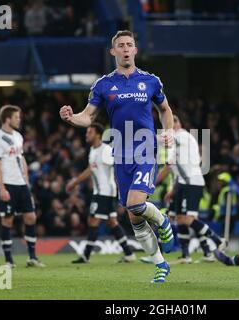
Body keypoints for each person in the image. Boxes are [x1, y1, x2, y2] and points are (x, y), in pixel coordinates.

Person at [60, 30, 174, 283]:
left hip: (145, 147)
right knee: (133, 216)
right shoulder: (103, 85)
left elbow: (165, 109)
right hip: (120, 151)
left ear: (135, 50)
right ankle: (161, 265)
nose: (125, 49)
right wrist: (71, 118)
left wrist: (168, 133)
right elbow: (88, 116)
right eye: (120, 45)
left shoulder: (150, 80)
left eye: (129, 45)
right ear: (113, 51)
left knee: (135, 203)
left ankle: (163, 220)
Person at [159, 115, 226, 263]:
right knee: (182, 219)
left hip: (192, 182)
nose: (167, 128)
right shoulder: (176, 144)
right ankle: (186, 255)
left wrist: (152, 185)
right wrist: (173, 190)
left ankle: (217, 239)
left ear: (177, 124)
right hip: (184, 183)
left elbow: (168, 166)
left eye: (169, 125)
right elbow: (175, 168)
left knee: (188, 219)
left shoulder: (182, 136)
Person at [66, 123, 136, 263]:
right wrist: (75, 182)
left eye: (89, 132)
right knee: (112, 222)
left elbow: (118, 168)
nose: (87, 135)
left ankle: (86, 255)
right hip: (102, 191)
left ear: (98, 134)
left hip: (105, 192)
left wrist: (124, 190)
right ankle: (129, 254)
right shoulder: (93, 150)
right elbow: (91, 169)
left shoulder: (106, 150)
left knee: (93, 220)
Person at [0, 105, 45, 268]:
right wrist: (1, 188)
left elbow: (22, 159)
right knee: (7, 220)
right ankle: (8, 260)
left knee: (31, 217)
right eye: (16, 117)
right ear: (7, 119)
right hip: (7, 183)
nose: (19, 120)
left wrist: (26, 181)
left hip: (21, 184)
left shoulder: (18, 137)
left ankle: (32, 257)